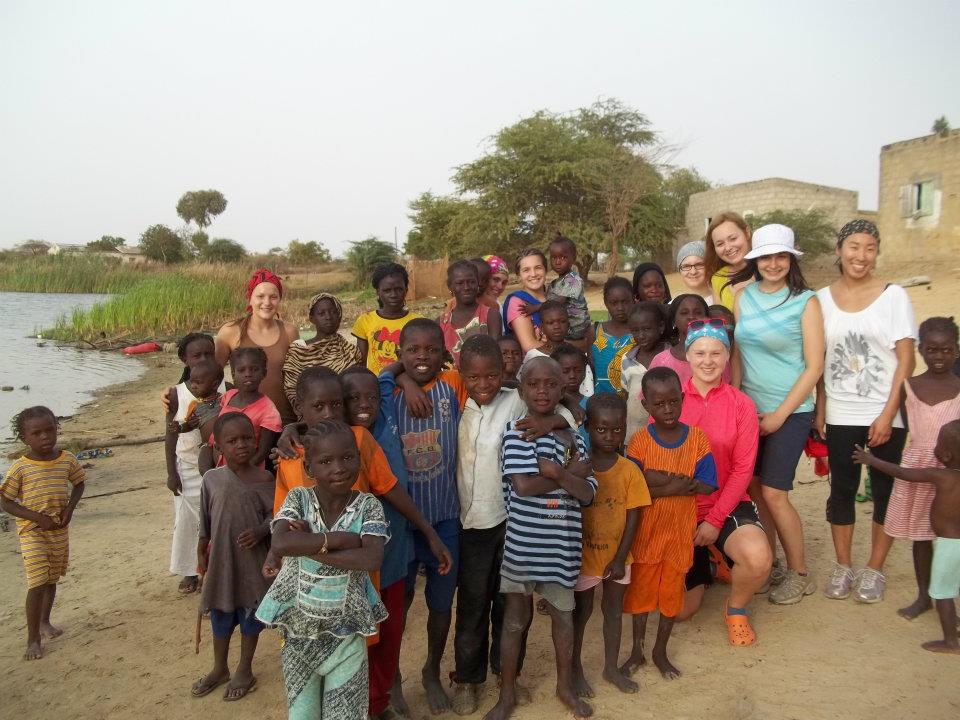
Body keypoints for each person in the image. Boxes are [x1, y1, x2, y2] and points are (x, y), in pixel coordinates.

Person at [273, 365, 453, 717]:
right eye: (318, 407)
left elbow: (391, 489)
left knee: (382, 640)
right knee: (333, 652)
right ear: (300, 409)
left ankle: (379, 703)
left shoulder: (358, 439)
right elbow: (283, 528)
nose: (329, 414)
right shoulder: (293, 459)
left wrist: (429, 532)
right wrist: (327, 544)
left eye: (336, 405)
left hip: (374, 565)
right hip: (321, 584)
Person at [452, 335, 574, 715]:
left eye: (492, 375)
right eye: (474, 377)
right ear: (463, 376)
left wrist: (554, 419)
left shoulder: (516, 400)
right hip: (471, 525)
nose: (484, 384)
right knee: (472, 604)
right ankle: (468, 680)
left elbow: (565, 415)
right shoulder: (454, 404)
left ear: (503, 373)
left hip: (512, 522)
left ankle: (509, 674)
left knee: (509, 606)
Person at [485, 356, 597, 720]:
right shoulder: (518, 432)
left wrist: (560, 476)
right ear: (522, 389)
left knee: (564, 618)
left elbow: (588, 493)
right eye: (534, 384)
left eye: (551, 383)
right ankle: (507, 694)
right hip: (523, 548)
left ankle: (564, 687)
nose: (543, 390)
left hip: (562, 549)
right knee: (515, 621)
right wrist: (567, 476)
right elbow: (524, 485)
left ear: (563, 387)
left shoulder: (574, 437)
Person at [257, 420, 389, 717]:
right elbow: (280, 544)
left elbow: (371, 559)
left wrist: (306, 545)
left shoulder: (368, 506)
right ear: (309, 469)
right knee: (302, 714)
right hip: (298, 633)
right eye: (326, 461)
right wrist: (339, 540)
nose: (339, 467)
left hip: (347, 636)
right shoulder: (298, 498)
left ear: (358, 458)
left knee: (346, 714)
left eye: (347, 457)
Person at [815, 219, 917, 604]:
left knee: (885, 491)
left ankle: (874, 570)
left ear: (877, 252)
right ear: (839, 250)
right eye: (854, 246)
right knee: (842, 490)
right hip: (841, 411)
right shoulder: (821, 299)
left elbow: (906, 361)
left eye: (870, 248)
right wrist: (822, 408)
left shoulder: (894, 297)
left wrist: (889, 414)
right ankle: (844, 566)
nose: (861, 256)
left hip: (885, 411)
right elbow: (820, 360)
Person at [730, 224, 824, 605]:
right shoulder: (742, 295)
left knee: (775, 492)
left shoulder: (806, 301)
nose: (773, 263)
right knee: (754, 491)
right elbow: (737, 354)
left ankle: (800, 573)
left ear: (790, 259)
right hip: (751, 408)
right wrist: (736, 403)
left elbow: (814, 366)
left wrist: (781, 415)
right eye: (766, 256)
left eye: (780, 256)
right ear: (755, 260)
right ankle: (769, 565)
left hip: (792, 408)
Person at [381, 318, 468, 714]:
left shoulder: (454, 383)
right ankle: (392, 677)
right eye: (412, 350)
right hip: (400, 523)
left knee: (439, 604)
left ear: (443, 353)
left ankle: (432, 670)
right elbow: (384, 375)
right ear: (400, 353)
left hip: (445, 516)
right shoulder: (387, 394)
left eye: (431, 349)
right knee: (398, 604)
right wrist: (405, 381)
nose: (421, 356)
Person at [675, 322, 771, 646]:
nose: (707, 360)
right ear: (687, 355)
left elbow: (743, 470)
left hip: (726, 503)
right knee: (681, 612)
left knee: (758, 559)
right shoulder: (671, 400)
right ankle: (712, 561)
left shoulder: (742, 404)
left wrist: (715, 520)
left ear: (727, 356)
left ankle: (736, 608)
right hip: (682, 506)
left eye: (716, 352)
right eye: (699, 352)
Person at [621, 368, 717, 678]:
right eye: (659, 404)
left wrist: (663, 483)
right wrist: (673, 487)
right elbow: (633, 488)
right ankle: (637, 650)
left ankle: (659, 651)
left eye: (673, 402)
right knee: (640, 595)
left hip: (679, 537)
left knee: (671, 597)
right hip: (646, 537)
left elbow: (708, 484)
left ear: (682, 398)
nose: (668, 410)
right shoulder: (639, 442)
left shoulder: (697, 439)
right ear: (645, 404)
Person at [341, 366, 414, 720]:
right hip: (353, 565)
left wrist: (404, 374)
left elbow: (387, 373)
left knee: (390, 632)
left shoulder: (385, 413)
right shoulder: (341, 441)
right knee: (357, 639)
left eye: (370, 396)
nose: (363, 403)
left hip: (395, 551)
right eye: (353, 398)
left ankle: (379, 702)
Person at [853, 420, 960, 655]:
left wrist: (871, 461)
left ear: (947, 455)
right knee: (952, 587)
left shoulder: (943, 476)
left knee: (942, 594)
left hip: (949, 546)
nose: (935, 449)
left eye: (938, 445)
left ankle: (950, 641)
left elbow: (903, 473)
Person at [192, 413, 274, 701]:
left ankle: (245, 669)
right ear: (219, 447)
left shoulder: (265, 478)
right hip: (221, 563)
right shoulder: (212, 479)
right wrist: (201, 552)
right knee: (221, 616)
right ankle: (219, 668)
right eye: (233, 440)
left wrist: (263, 530)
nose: (241, 444)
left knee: (251, 616)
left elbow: (276, 516)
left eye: (247, 438)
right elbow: (204, 521)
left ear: (256, 441)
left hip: (253, 564)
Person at [572, 393, 649, 697]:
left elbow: (634, 518)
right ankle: (575, 669)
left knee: (614, 611)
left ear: (624, 427)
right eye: (601, 430)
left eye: (617, 430)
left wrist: (620, 558)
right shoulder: (580, 467)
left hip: (618, 556)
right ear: (588, 427)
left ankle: (611, 668)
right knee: (581, 612)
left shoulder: (629, 470)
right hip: (582, 556)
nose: (609, 436)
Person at [883, 317, 960, 619]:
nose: (939, 357)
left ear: (956, 350)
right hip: (918, 466)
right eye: (931, 350)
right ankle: (924, 596)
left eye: (946, 350)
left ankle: (948, 597)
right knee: (920, 535)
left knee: (955, 536)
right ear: (920, 350)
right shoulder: (909, 387)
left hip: (954, 473)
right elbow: (910, 425)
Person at [1, 406, 85, 661]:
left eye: (49, 430)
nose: (45, 437)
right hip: (33, 532)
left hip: (59, 530)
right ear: (24, 438)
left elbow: (79, 482)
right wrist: (36, 517)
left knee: (51, 579)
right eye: (36, 433)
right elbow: (5, 501)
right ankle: (33, 639)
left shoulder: (66, 459)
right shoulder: (20, 468)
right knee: (37, 582)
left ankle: (45, 621)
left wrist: (69, 509)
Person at [164, 359, 223, 594]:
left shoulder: (224, 399)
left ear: (216, 383)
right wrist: (177, 429)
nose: (194, 386)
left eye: (199, 382)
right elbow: (187, 426)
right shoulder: (193, 405)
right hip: (204, 453)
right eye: (191, 381)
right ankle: (197, 570)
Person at [215, 268, 300, 425]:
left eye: (273, 297)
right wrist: (177, 391)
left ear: (279, 299)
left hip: (285, 420)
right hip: (245, 424)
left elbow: (298, 376)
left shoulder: (289, 332)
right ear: (250, 298)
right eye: (260, 296)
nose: (267, 302)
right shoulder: (230, 332)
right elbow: (211, 374)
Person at [282, 293, 362, 409]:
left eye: (333, 312)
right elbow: (292, 389)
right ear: (312, 318)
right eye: (321, 313)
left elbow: (357, 387)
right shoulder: (299, 351)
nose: (328, 317)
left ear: (339, 315)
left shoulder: (350, 350)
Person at [211, 348, 281, 470]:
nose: (248, 374)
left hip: (248, 474)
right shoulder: (228, 396)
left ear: (264, 373)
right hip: (220, 470)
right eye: (241, 370)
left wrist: (240, 474)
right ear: (233, 374)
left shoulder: (269, 410)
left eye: (254, 369)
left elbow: (262, 452)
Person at [519, 234, 590, 347]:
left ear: (573, 258)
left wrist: (534, 308)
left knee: (555, 343)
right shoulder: (556, 283)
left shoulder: (573, 279)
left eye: (563, 257)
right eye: (554, 258)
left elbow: (556, 303)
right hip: (563, 324)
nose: (558, 262)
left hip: (576, 326)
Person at [352, 263, 423, 375]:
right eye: (387, 290)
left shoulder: (418, 322)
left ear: (406, 289)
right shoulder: (365, 321)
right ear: (378, 292)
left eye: (399, 289)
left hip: (411, 385)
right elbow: (361, 362)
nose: (393, 295)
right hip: (376, 386)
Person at [649, 294, 731, 387]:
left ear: (707, 318)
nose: (691, 317)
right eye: (684, 313)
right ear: (673, 321)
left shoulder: (718, 359)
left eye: (698, 312)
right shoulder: (661, 361)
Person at [521, 301, 595, 397]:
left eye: (562, 321)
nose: (557, 327)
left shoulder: (577, 356)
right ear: (542, 328)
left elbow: (588, 390)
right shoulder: (533, 356)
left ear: (568, 325)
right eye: (550, 323)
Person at [437, 260, 501, 367]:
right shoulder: (441, 323)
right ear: (450, 286)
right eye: (459, 283)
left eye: (471, 282)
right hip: (450, 382)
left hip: (483, 380)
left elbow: (495, 355)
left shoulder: (491, 315)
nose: (466, 287)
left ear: (477, 283)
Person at [621, 302, 669, 439]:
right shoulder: (626, 360)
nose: (641, 335)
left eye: (647, 329)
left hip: (666, 432)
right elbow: (625, 395)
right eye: (635, 330)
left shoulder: (670, 355)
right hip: (635, 433)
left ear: (660, 327)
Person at [591, 276, 636, 394]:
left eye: (625, 302)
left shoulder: (639, 332)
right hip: (602, 403)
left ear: (633, 300)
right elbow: (591, 368)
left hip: (633, 400)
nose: (620, 308)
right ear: (606, 303)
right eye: (614, 303)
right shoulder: (595, 331)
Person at [502, 249, 548, 353]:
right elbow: (530, 346)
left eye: (538, 268)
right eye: (526, 270)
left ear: (546, 269)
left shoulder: (555, 297)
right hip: (536, 365)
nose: (533, 274)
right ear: (519, 275)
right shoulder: (518, 302)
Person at [704, 212, 753, 311]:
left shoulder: (768, 268)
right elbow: (722, 319)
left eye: (733, 238)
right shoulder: (717, 279)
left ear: (747, 233)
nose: (728, 248)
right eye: (720, 244)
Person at [551, 343, 591, 449]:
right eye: (565, 371)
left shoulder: (591, 403)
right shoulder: (550, 403)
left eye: (578, 370)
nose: (572, 376)